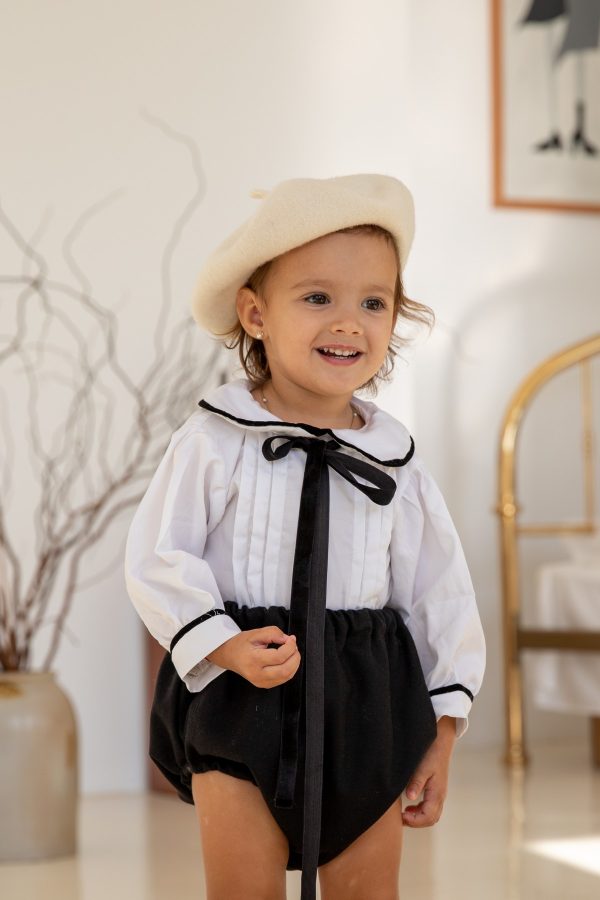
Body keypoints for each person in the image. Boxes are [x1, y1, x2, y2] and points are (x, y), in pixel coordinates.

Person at [124, 174, 486, 900]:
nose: (349, 322)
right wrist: (223, 644)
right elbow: (158, 556)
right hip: (243, 690)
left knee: (367, 890)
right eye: (318, 298)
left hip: (368, 702)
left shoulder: (397, 464)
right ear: (255, 314)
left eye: (373, 303)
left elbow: (440, 597)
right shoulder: (215, 440)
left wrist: (443, 730)